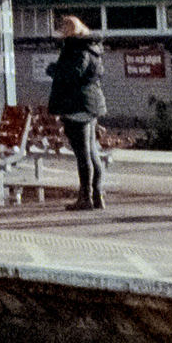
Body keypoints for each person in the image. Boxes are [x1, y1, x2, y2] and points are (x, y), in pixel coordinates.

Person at [45, 14, 106, 209]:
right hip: (91, 103)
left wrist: (54, 70)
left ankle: (85, 198)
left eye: (63, 31)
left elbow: (72, 74)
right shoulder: (92, 47)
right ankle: (97, 195)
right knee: (92, 151)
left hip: (77, 105)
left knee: (83, 154)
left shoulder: (76, 49)